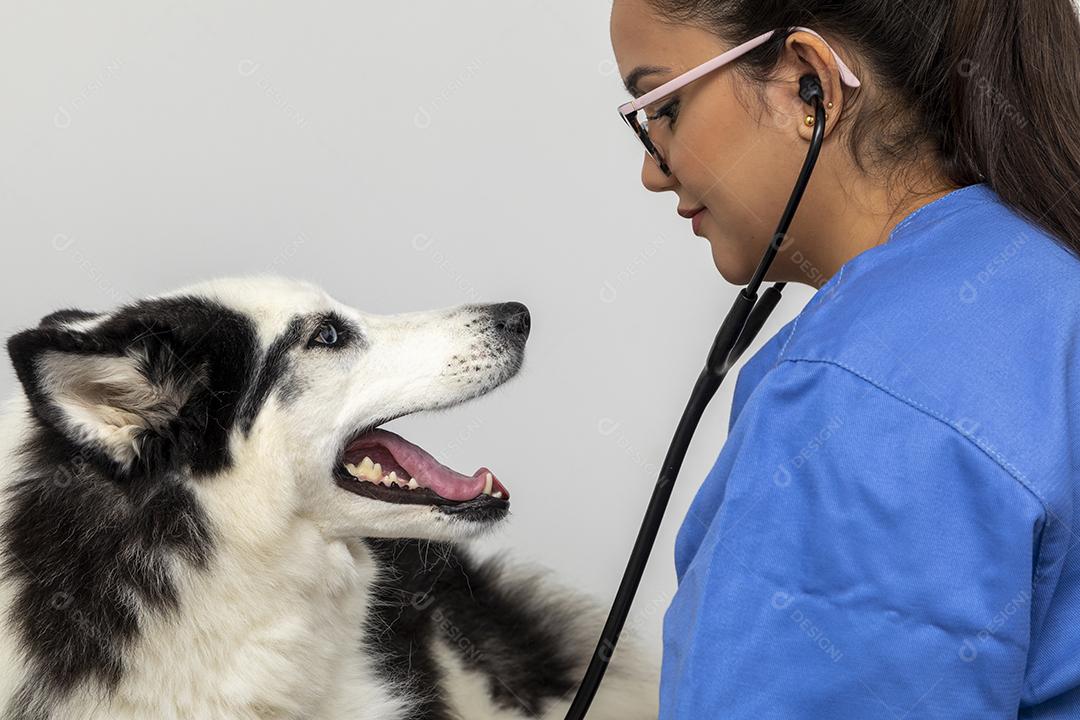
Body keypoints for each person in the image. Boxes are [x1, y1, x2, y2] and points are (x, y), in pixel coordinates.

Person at [608, 0, 1080, 717]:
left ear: (810, 84)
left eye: (664, 106)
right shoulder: (1049, 283)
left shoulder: (856, 398)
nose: (652, 169)